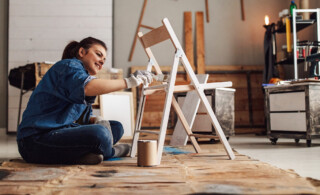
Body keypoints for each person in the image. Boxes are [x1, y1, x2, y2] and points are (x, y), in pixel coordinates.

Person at [17, 37, 154, 165]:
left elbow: (81, 120)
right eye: (98, 54)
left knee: (116, 127)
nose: (101, 61)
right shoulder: (68, 66)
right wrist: (129, 81)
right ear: (82, 52)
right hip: (34, 141)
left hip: (58, 133)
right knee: (100, 133)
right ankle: (111, 152)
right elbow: (88, 87)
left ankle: (80, 156)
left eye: (104, 60)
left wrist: (96, 120)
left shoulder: (81, 74)